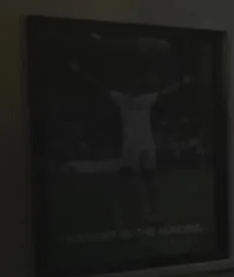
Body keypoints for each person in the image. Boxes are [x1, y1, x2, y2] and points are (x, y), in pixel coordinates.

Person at [69, 61, 187, 222]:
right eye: (131, 85)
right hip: (131, 146)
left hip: (147, 145)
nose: (133, 87)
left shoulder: (146, 98)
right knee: (127, 178)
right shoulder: (121, 98)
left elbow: (166, 92)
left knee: (149, 178)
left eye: (136, 85)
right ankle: (121, 210)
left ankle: (151, 212)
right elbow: (100, 86)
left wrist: (181, 83)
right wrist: (81, 71)